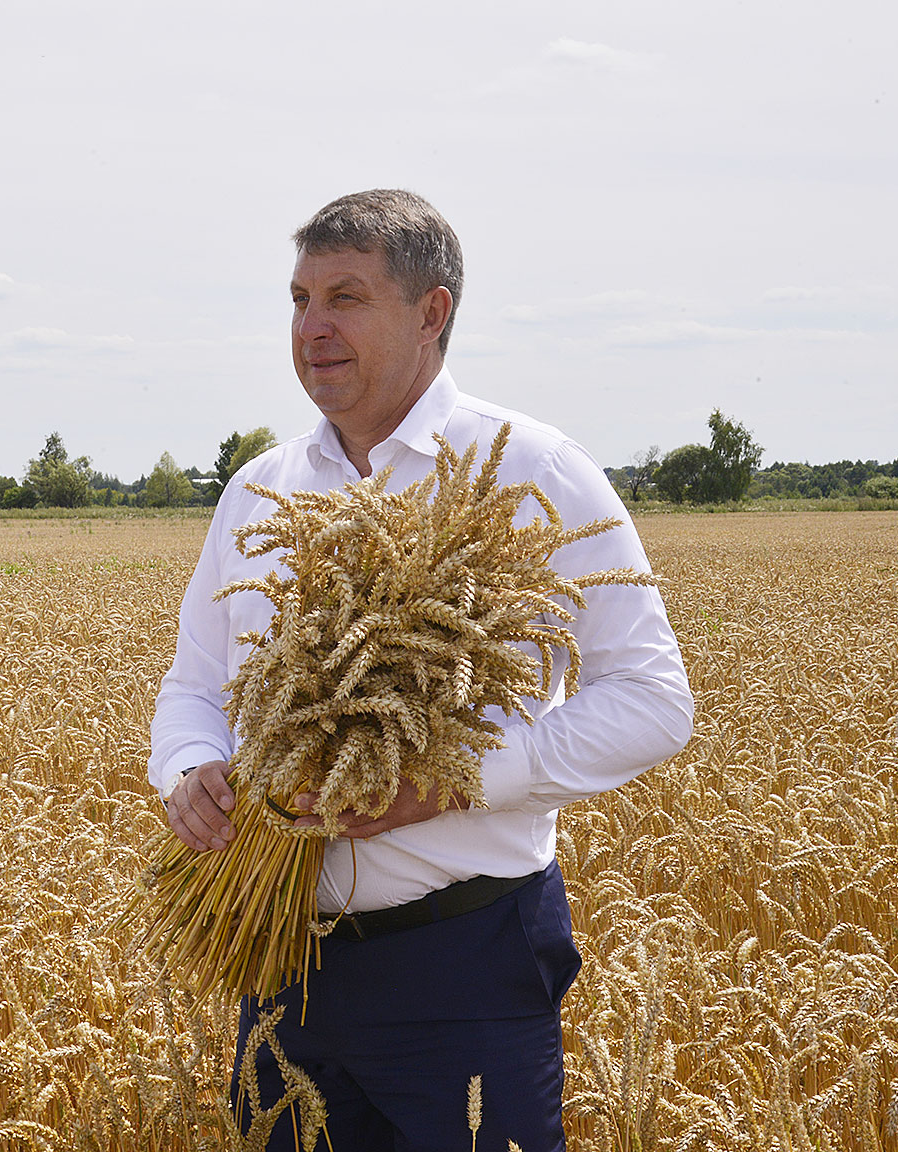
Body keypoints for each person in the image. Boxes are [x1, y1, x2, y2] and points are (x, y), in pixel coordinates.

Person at [149, 189, 694, 1151]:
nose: (312, 328)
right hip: (279, 960)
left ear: (431, 312)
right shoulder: (257, 491)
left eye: (346, 297)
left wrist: (442, 781)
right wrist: (187, 768)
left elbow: (654, 703)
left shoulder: (535, 470)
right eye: (299, 297)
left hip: (466, 963)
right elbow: (194, 683)